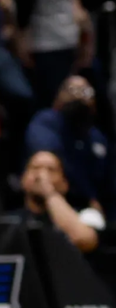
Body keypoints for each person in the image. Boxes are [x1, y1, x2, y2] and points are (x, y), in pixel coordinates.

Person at [25, 78, 111, 211]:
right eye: (72, 90)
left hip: (91, 206)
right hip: (53, 197)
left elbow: (108, 178)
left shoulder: (97, 137)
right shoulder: (46, 121)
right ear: (59, 95)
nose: (79, 95)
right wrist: (89, 196)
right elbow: (50, 158)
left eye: (85, 91)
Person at [21, 150, 103, 254]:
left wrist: (49, 193)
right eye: (35, 168)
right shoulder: (9, 219)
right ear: (23, 179)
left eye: (51, 170)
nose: (41, 176)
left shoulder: (87, 215)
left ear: (64, 184)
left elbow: (83, 240)